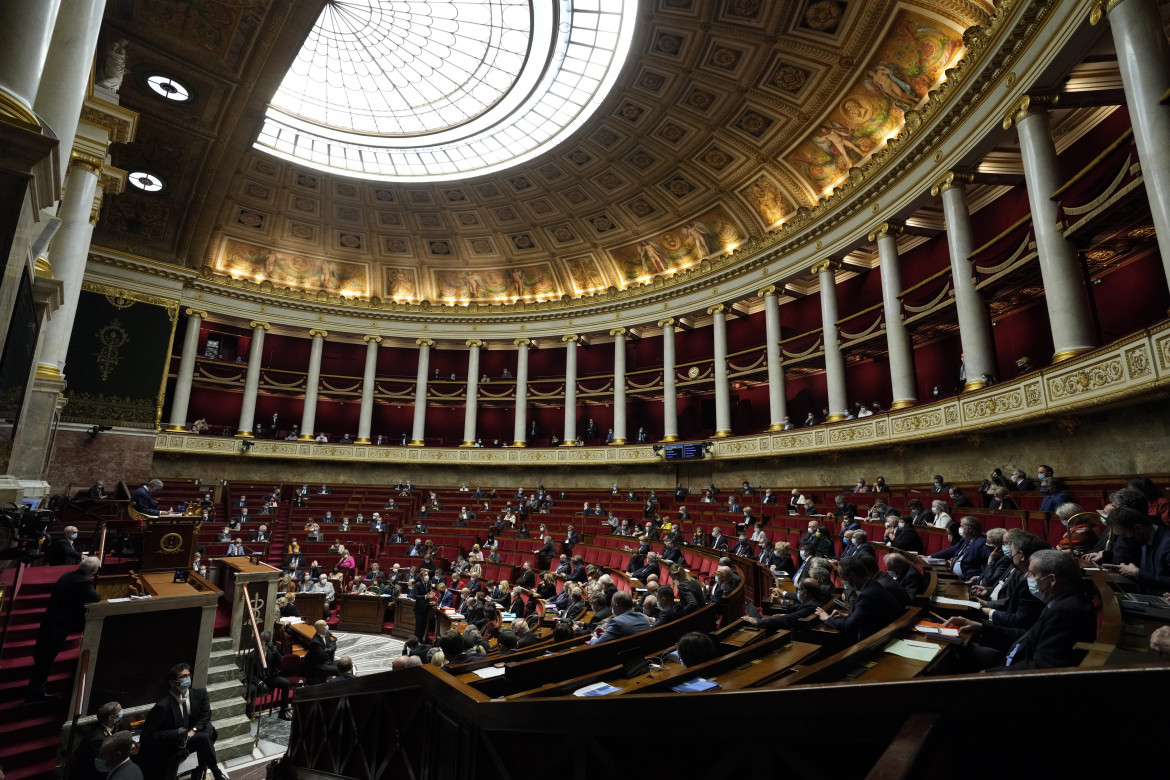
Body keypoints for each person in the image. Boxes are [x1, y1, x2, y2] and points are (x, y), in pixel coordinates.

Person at [944, 549, 1097, 671]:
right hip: (1014, 657)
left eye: (1032, 574)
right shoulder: (1060, 602)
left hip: (1015, 675)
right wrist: (980, 627)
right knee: (959, 646)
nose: (1027, 577)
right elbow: (1028, 636)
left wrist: (990, 675)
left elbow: (1042, 668)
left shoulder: (1067, 612)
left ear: (1051, 580)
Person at [26, 557, 102, 700]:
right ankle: (36, 692)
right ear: (93, 571)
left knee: (44, 658)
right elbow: (96, 597)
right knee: (46, 659)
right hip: (58, 626)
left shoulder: (68, 575)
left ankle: (36, 688)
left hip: (52, 621)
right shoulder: (84, 582)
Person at [139, 662, 225, 780]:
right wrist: (176, 733)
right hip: (169, 749)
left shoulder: (182, 700)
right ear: (172, 682)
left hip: (182, 744)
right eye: (183, 676)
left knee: (204, 739)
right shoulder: (162, 706)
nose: (188, 678)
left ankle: (216, 773)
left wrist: (188, 733)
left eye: (188, 675)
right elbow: (146, 737)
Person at [815, 555, 903, 643]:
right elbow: (867, 614)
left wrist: (827, 619)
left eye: (842, 577)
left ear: (852, 576)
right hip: (884, 633)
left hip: (875, 641)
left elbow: (849, 626)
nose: (842, 581)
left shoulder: (867, 595)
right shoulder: (873, 584)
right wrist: (847, 615)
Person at [1103, 507, 1170, 593]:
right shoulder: (1144, 539)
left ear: (1138, 528)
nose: (1123, 541)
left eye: (1124, 536)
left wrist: (1138, 574)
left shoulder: (1167, 543)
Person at [744, 578, 835, 631]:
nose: (797, 592)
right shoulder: (822, 595)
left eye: (799, 590)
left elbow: (789, 619)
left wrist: (758, 622)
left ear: (805, 593)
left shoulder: (811, 606)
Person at [74, 700, 124, 780]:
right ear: (111, 718)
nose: (122, 713)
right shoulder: (98, 740)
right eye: (120, 711)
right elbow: (104, 767)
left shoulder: (111, 727)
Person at [246, 630, 292, 720]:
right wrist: (259, 683)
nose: (266, 643)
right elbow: (249, 674)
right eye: (265, 641)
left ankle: (283, 712)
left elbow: (280, 662)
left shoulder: (271, 652)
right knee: (251, 690)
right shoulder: (252, 655)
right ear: (260, 640)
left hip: (269, 678)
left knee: (285, 683)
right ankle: (248, 714)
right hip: (257, 680)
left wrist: (275, 651)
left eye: (268, 641)